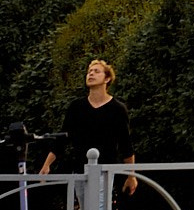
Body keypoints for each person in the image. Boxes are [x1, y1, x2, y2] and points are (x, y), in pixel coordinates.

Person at [43, 59, 136, 197]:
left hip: (104, 170)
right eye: (89, 72)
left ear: (107, 78)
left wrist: (131, 176)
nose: (91, 74)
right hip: (79, 170)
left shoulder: (117, 109)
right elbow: (62, 139)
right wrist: (46, 165)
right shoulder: (76, 107)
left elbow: (125, 144)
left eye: (96, 71)